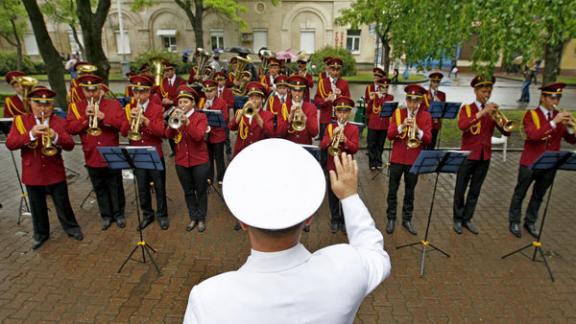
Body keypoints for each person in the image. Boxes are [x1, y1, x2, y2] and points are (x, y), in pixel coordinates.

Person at [183, 139, 391, 323]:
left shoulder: (208, 298)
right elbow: (374, 252)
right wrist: (349, 196)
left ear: (242, 221)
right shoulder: (347, 266)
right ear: (309, 218)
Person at [6, 87, 83, 250]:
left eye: (47, 105)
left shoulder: (59, 121)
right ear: (30, 103)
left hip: (54, 170)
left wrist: (55, 136)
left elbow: (69, 145)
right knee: (36, 205)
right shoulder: (21, 120)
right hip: (32, 171)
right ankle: (41, 234)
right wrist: (31, 134)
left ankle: (72, 228)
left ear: (52, 105)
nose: (43, 109)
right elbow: (11, 144)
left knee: (63, 203)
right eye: (38, 104)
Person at [508, 83, 576, 238]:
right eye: (553, 97)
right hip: (530, 163)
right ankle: (514, 221)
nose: (556, 101)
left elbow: (571, 140)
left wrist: (571, 127)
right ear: (543, 97)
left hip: (550, 164)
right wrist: (553, 123)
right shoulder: (531, 115)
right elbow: (533, 136)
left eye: (558, 97)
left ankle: (530, 221)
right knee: (520, 193)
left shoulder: (558, 117)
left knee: (539, 195)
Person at [66, 74, 126, 230]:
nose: (91, 94)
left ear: (100, 89)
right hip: (92, 154)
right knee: (99, 188)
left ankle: (119, 214)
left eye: (94, 90)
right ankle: (106, 216)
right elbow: (71, 129)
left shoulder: (113, 104)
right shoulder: (76, 107)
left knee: (116, 185)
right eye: (87, 91)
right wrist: (86, 118)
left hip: (112, 152)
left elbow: (122, 124)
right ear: (83, 91)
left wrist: (103, 117)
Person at [453, 75, 511, 235]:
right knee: (460, 188)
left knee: (475, 190)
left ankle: (467, 218)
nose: (487, 94)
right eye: (484, 91)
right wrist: (482, 112)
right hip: (467, 155)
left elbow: (507, 132)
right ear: (476, 91)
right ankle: (457, 218)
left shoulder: (493, 111)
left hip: (484, 156)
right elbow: (462, 125)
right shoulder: (467, 108)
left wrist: (501, 122)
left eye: (489, 91)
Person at [121, 75, 169, 230]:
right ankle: (147, 215)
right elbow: (122, 132)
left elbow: (162, 131)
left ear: (148, 93)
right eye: (136, 92)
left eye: (142, 92)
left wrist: (146, 121)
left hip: (155, 153)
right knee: (142, 187)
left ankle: (162, 215)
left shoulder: (156, 108)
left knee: (159, 186)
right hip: (137, 154)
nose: (139, 96)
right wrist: (130, 120)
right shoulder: (129, 108)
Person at [386, 85, 432, 235]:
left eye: (416, 101)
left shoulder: (426, 116)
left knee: (410, 191)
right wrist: (402, 126)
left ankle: (407, 219)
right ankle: (391, 218)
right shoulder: (398, 113)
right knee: (393, 189)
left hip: (414, 159)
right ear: (406, 100)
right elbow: (390, 135)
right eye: (410, 101)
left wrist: (418, 130)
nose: (412, 105)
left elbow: (428, 139)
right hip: (397, 158)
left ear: (420, 102)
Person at [166, 85, 211, 232]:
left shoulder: (201, 117)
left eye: (185, 102)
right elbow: (168, 136)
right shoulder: (177, 115)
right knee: (188, 191)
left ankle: (201, 218)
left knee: (201, 190)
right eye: (180, 102)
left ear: (193, 103)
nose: (182, 105)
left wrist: (188, 123)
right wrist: (172, 122)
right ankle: (193, 217)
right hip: (181, 161)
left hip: (199, 160)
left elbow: (199, 137)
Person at [320, 97, 359, 233]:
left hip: (346, 168)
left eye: (345, 112)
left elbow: (354, 149)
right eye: (339, 112)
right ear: (336, 113)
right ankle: (335, 219)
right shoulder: (330, 127)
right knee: (332, 196)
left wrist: (346, 141)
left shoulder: (353, 128)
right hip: (332, 167)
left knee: (346, 195)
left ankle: (344, 220)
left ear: (350, 113)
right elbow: (322, 145)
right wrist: (332, 138)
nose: (342, 115)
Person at [229, 82, 270, 157]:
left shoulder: (267, 115)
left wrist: (255, 114)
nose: (253, 100)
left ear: (262, 100)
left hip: (259, 153)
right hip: (242, 152)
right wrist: (239, 115)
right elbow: (231, 127)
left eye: (257, 98)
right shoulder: (242, 112)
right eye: (251, 97)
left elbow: (268, 132)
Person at [314, 57, 351, 141]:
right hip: (325, 119)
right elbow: (316, 101)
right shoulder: (322, 82)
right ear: (329, 69)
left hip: (340, 119)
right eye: (333, 69)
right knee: (324, 142)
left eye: (338, 70)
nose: (335, 72)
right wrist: (326, 100)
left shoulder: (344, 83)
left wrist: (340, 96)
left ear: (340, 70)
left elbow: (349, 102)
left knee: (338, 143)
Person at [200, 80, 229, 185]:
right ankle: (209, 178)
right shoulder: (201, 101)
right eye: (206, 91)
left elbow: (225, 117)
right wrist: (203, 109)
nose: (208, 93)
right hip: (206, 136)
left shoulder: (221, 102)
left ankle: (221, 178)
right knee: (208, 158)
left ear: (216, 90)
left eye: (211, 91)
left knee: (219, 158)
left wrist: (210, 112)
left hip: (218, 135)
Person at [366, 76, 394, 170]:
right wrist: (372, 99)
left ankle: (378, 162)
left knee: (380, 145)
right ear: (379, 87)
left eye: (387, 87)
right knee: (371, 144)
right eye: (383, 87)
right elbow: (368, 111)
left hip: (384, 125)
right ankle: (372, 163)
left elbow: (390, 110)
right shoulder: (374, 97)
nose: (385, 89)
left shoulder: (390, 97)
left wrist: (381, 98)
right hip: (373, 124)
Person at [284, 75, 318, 144]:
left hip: (305, 145)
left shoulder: (311, 107)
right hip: (288, 145)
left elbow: (315, 133)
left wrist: (305, 118)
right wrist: (290, 118)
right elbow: (279, 133)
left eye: (300, 91)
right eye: (294, 90)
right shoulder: (283, 106)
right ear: (290, 91)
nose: (297, 94)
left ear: (304, 92)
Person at [421, 71, 446, 150]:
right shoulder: (424, 94)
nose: (436, 84)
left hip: (436, 123)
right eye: (434, 81)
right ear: (430, 81)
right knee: (425, 144)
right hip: (426, 124)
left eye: (438, 82)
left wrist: (440, 104)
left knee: (432, 144)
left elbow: (444, 110)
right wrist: (432, 103)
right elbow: (421, 110)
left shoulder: (442, 95)